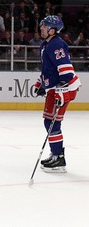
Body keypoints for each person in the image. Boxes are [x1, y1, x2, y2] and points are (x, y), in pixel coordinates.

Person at [33, 15, 81, 173]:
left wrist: (62, 91)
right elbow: (48, 68)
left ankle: (58, 158)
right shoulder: (45, 44)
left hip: (64, 88)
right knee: (49, 121)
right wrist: (41, 82)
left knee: (52, 122)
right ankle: (56, 154)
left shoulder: (57, 44)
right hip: (55, 88)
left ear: (53, 30)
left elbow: (66, 70)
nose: (41, 28)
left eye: (44, 26)